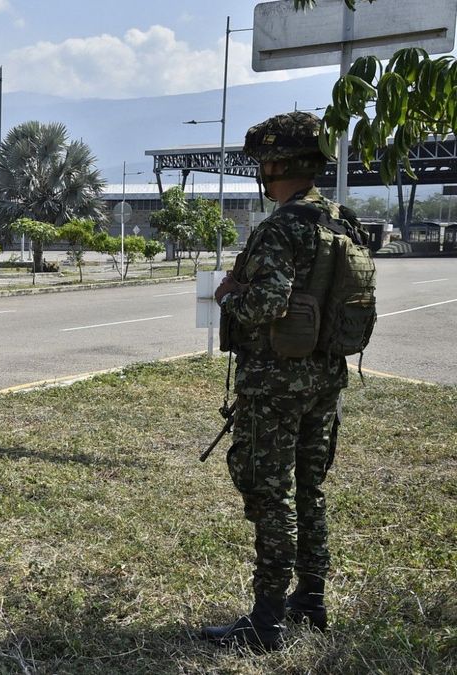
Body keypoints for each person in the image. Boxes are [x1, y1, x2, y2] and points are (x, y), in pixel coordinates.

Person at [201, 111, 354, 650]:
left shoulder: (282, 226)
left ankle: (265, 620)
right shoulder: (339, 220)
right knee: (310, 489)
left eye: (265, 164)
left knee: (271, 494)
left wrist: (227, 296)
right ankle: (310, 600)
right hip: (326, 375)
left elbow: (266, 302)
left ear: (278, 165)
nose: (261, 174)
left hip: (276, 381)